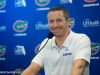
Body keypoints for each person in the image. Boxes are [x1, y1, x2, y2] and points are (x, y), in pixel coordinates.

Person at [22, 6, 91, 75]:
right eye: (51, 21)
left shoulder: (81, 39)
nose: (55, 25)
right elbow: (31, 70)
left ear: (68, 22)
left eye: (59, 20)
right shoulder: (46, 43)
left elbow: (79, 67)